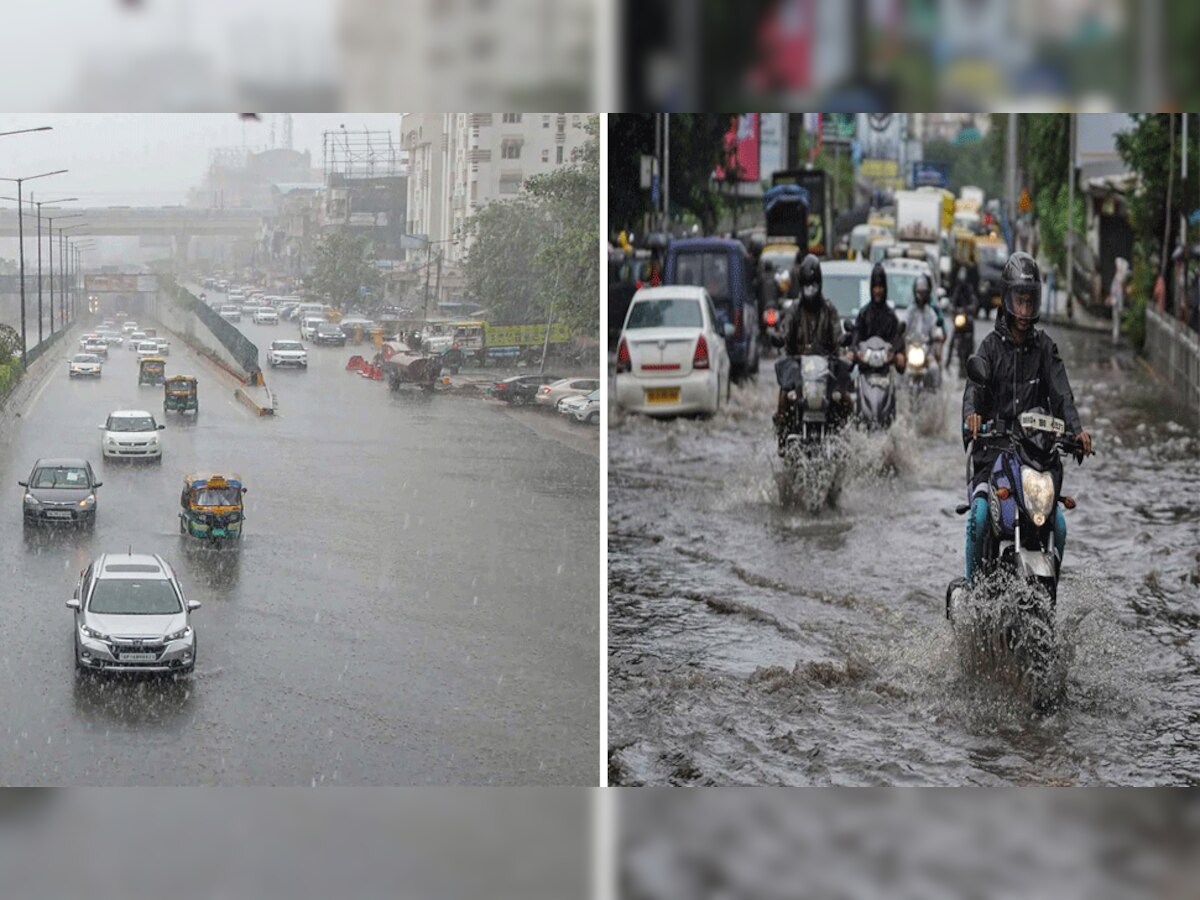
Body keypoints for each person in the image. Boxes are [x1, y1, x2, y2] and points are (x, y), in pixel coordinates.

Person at [961, 252, 1093, 585]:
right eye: (1018, 301)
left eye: (1029, 302)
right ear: (1006, 300)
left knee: (1058, 526)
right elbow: (973, 391)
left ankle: (1050, 599)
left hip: (1035, 461)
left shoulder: (1045, 349)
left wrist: (1076, 432)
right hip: (994, 458)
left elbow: (1062, 394)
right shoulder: (990, 348)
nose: (1023, 310)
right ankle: (973, 590)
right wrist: (972, 416)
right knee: (978, 517)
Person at [771, 254, 852, 444]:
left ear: (820, 284)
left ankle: (847, 439)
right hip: (798, 370)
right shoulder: (794, 310)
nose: (810, 290)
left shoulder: (829, 309)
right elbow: (785, 330)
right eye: (807, 285)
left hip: (826, 370)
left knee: (846, 400)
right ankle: (783, 439)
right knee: (784, 398)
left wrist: (843, 340)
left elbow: (837, 333)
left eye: (813, 285)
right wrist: (779, 339)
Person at [851, 262, 905, 366]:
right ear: (871, 289)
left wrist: (898, 354)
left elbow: (896, 339)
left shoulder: (890, 316)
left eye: (880, 287)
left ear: (885, 289)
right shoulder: (863, 314)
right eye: (875, 287)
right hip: (865, 369)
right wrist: (853, 351)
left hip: (886, 369)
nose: (878, 291)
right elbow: (856, 338)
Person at [903, 273, 944, 388]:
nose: (921, 295)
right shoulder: (910, 311)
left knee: (934, 369)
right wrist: (900, 330)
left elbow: (936, 327)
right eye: (919, 292)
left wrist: (937, 334)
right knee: (900, 371)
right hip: (910, 351)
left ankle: (935, 397)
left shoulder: (930, 312)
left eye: (924, 292)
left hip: (926, 353)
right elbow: (904, 323)